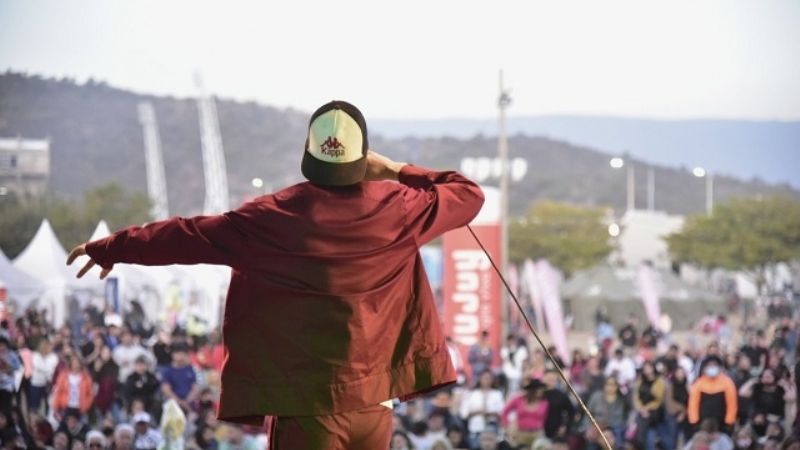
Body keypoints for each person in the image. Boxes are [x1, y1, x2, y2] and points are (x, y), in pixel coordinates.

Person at [68, 100, 485, 450]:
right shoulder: (400, 208)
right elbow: (468, 193)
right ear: (363, 159)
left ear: (310, 153)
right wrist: (395, 169)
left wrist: (112, 247)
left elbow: (185, 235)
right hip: (376, 406)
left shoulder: (271, 217)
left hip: (307, 409)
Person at [687, 355, 738, 436]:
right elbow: (693, 405)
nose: (712, 367)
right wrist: (694, 422)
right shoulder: (698, 384)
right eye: (709, 365)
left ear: (720, 368)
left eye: (714, 365)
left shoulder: (728, 383)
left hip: (722, 425)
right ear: (704, 368)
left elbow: (732, 405)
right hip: (702, 424)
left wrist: (729, 422)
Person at [460, 370, 504, 446]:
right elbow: (463, 413)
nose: (486, 380)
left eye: (489, 378)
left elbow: (502, 412)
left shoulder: (497, 394)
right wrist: (477, 412)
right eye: (484, 378)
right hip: (476, 430)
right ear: (480, 379)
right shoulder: (472, 394)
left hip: (492, 431)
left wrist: (490, 413)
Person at [500, 378, 548, 447]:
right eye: (538, 389)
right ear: (532, 390)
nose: (541, 391)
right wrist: (507, 426)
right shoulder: (519, 399)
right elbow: (505, 412)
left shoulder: (544, 403)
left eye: (541, 389)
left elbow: (544, 418)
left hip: (536, 433)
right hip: (520, 433)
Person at [633, 361, 667, 450]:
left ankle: (640, 441)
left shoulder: (659, 382)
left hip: (654, 411)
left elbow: (658, 399)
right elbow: (637, 397)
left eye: (649, 368)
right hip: (642, 410)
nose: (647, 370)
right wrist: (641, 408)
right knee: (642, 425)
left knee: (643, 428)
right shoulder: (640, 382)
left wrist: (647, 408)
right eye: (645, 369)